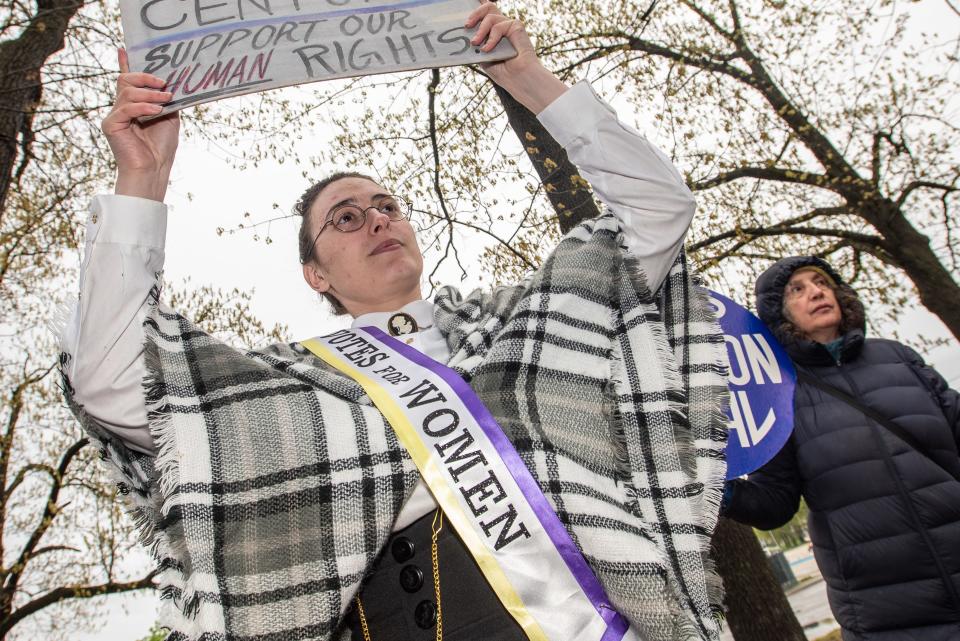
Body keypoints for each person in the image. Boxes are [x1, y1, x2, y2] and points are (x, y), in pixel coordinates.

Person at [60, 3, 730, 640]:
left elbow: (659, 210)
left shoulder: (518, 326)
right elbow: (113, 386)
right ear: (315, 273)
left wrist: (527, 76)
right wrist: (142, 178)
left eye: (387, 205)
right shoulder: (292, 385)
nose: (377, 218)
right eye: (346, 218)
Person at [722, 256, 960, 641]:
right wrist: (716, 484)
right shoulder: (780, 395)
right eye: (796, 289)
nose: (816, 291)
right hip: (887, 615)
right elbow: (774, 504)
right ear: (777, 313)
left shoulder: (899, 359)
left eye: (821, 282)